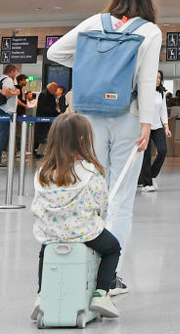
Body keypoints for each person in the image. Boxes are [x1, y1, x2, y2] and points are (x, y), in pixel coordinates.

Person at [47, 0, 162, 297]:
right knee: (121, 198)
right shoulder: (149, 31)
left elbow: (56, 53)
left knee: (91, 189)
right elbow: (145, 80)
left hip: (89, 117)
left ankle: (83, 266)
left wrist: (87, 64)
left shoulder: (93, 23)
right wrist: (146, 125)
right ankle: (109, 278)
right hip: (129, 116)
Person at [31, 114, 122, 321]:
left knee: (45, 252)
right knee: (112, 249)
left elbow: (37, 204)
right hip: (84, 231)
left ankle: (42, 294)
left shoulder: (43, 171)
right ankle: (101, 293)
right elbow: (101, 202)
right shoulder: (89, 170)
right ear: (83, 140)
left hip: (51, 233)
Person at [140, 71, 171, 192]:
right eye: (156, 77)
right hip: (145, 126)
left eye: (160, 78)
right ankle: (147, 184)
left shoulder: (161, 93)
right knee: (146, 155)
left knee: (163, 151)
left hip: (157, 127)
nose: (158, 80)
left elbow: (163, 110)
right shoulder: (143, 92)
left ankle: (151, 175)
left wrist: (166, 127)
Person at [33, 82, 60, 157]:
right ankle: (39, 152)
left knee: (46, 136)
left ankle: (43, 151)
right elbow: (44, 107)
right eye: (55, 88)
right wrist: (54, 112)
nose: (56, 90)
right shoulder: (44, 95)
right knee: (43, 136)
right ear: (51, 88)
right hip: (44, 119)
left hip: (48, 119)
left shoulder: (50, 95)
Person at [0, 64, 19, 164]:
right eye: (15, 72)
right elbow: (5, 92)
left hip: (2, 109)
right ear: (12, 71)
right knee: (2, 135)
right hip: (5, 110)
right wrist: (16, 93)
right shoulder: (8, 79)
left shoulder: (1, 78)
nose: (15, 75)